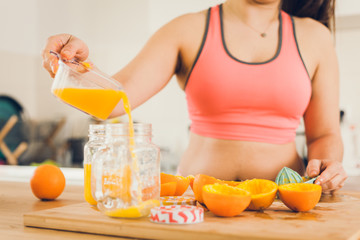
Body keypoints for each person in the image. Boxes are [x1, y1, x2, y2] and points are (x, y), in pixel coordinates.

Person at [42, 0, 347, 194]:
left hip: (282, 207)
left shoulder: (315, 38)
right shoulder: (186, 29)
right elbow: (112, 101)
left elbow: (324, 134)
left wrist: (328, 165)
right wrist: (70, 66)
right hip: (194, 206)